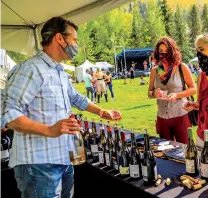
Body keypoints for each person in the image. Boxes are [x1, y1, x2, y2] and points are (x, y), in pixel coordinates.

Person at [1, 17, 122, 198]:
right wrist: (49, 129)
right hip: (38, 164)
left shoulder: (59, 71)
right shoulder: (30, 69)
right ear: (59, 38)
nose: (76, 45)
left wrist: (102, 111)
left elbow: (76, 98)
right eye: (74, 40)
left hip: (63, 159)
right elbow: (8, 113)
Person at [148, 37, 196, 144]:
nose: (164, 54)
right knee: (166, 152)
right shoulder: (155, 71)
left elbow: (193, 89)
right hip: (162, 118)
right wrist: (154, 93)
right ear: (157, 52)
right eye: (161, 51)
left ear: (172, 51)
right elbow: (149, 93)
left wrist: (177, 95)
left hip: (181, 116)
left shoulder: (181, 67)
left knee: (184, 150)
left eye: (167, 51)